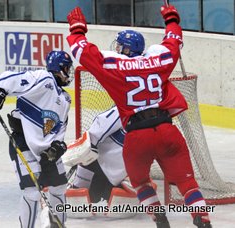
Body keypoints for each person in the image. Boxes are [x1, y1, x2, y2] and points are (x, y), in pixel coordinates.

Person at [66, 4, 212, 228]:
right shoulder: (158, 60)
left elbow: (82, 51)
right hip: (167, 131)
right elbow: (174, 41)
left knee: (141, 183)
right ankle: (203, 221)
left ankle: (160, 221)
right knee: (187, 182)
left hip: (137, 137)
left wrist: (77, 30)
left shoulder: (113, 66)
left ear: (124, 49)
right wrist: (171, 18)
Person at [0, 50, 73, 228]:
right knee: (32, 192)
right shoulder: (43, 78)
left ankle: (57, 225)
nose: (69, 73)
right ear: (58, 68)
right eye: (67, 68)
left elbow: (60, 128)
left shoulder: (65, 98)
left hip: (47, 151)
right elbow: (12, 78)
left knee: (59, 188)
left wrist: (58, 146)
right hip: (23, 141)